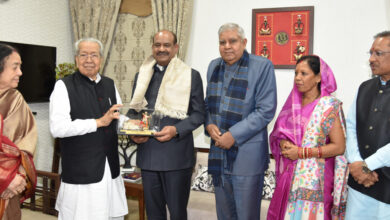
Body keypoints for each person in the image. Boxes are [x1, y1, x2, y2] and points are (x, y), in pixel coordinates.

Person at [129, 30, 205, 220]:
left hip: (177, 157)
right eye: (157, 45)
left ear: (176, 48)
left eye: (166, 45)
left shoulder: (190, 76)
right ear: (153, 47)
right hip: (148, 156)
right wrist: (133, 132)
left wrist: (176, 130)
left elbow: (199, 114)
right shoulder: (142, 75)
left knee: (178, 214)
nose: (161, 49)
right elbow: (133, 111)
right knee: (153, 214)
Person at [49, 38, 128, 220]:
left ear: (101, 59)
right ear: (76, 59)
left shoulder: (109, 84)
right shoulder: (63, 86)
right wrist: (98, 122)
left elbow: (115, 116)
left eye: (94, 55)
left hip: (110, 168)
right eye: (83, 55)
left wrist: (134, 125)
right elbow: (58, 128)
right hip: (81, 172)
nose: (89, 60)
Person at [205, 23, 277, 220]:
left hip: (247, 158)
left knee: (246, 216)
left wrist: (233, 136)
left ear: (244, 43)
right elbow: (209, 105)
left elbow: (265, 110)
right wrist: (209, 124)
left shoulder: (261, 66)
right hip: (219, 156)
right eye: (222, 42)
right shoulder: (213, 66)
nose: (227, 46)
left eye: (233, 41)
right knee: (224, 215)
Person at [267, 55, 348, 220]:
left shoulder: (327, 106)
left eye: (304, 73)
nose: (297, 78)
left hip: (316, 181)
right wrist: (283, 143)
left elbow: (338, 147)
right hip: (289, 178)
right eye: (296, 73)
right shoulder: (293, 104)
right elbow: (280, 133)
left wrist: (301, 152)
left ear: (318, 77)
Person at [345, 31, 390, 219]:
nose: (371, 59)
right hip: (360, 183)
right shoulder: (364, 87)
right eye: (370, 53)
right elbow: (351, 126)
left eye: (378, 53)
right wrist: (356, 163)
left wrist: (367, 166)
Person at [0, 43, 37, 220]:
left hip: (12, 184)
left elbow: (26, 142)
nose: (20, 72)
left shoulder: (15, 99)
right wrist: (3, 178)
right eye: (15, 67)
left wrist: (18, 177)